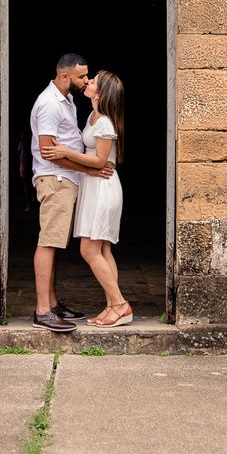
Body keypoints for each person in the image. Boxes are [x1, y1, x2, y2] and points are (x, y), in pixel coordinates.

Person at [29, 53, 114, 333]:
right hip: (56, 179)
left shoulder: (67, 100)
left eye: (87, 76)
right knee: (48, 242)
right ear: (65, 76)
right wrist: (89, 169)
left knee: (54, 242)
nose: (86, 80)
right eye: (82, 76)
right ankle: (43, 311)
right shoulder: (49, 104)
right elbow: (48, 151)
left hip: (65, 179)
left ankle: (52, 305)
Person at [41, 70, 131, 328]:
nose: (88, 81)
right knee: (103, 250)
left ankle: (120, 305)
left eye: (93, 81)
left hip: (103, 187)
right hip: (94, 186)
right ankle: (112, 306)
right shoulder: (94, 117)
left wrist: (65, 152)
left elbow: (101, 161)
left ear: (100, 94)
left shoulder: (105, 123)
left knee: (89, 250)